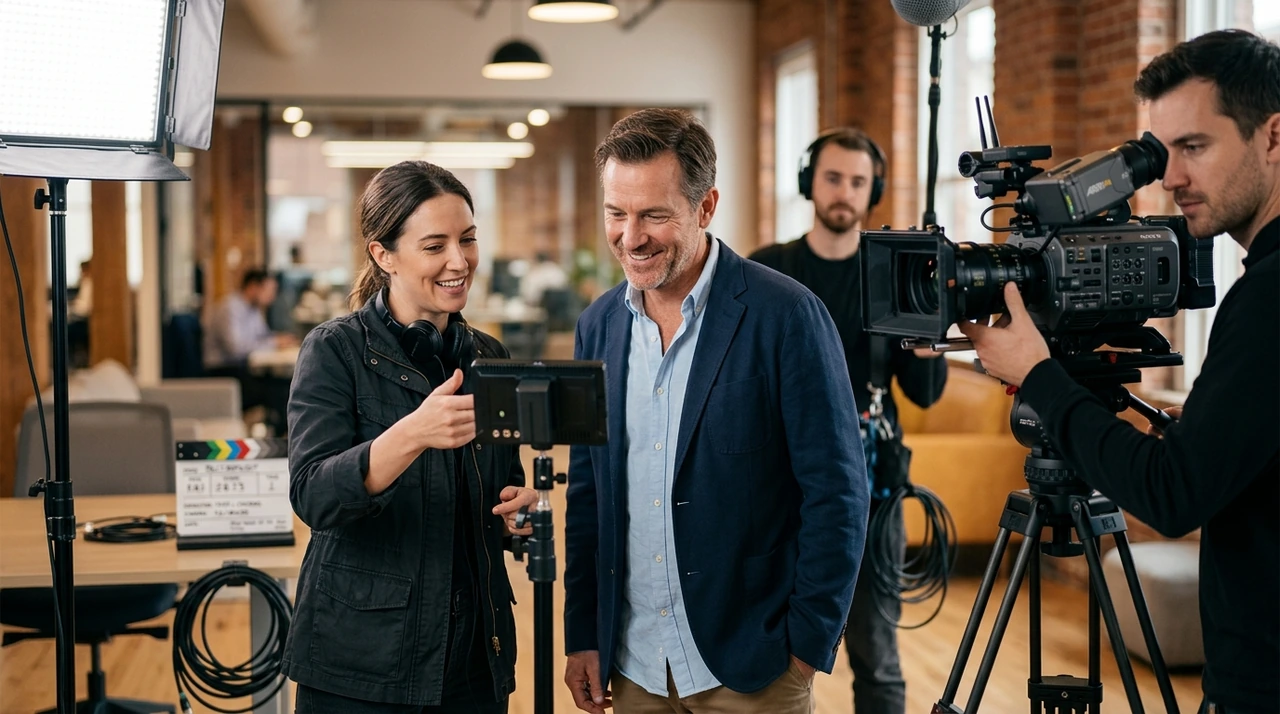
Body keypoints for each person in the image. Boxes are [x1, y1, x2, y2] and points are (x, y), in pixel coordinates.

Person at [957, 30, 1279, 713]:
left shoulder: (1268, 297)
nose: (1171, 177)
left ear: (1273, 137)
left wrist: (1039, 375)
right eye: (1163, 152)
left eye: (1195, 146)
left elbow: (1170, 494)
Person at [562, 108, 869, 714]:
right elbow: (588, 494)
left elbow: (837, 493)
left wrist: (806, 646)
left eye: (654, 215)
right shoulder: (597, 326)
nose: (631, 237)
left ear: (705, 208)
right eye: (616, 213)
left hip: (754, 667)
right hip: (633, 665)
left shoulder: (787, 314)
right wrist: (584, 634)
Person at [282, 161, 539, 713]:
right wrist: (412, 434)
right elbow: (313, 495)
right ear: (384, 255)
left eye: (468, 239)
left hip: (475, 657)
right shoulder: (334, 351)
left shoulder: (489, 356)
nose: (459, 261)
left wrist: (516, 512)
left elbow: (503, 487)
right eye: (434, 246)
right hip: (363, 663)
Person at [750, 127, 947, 714]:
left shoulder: (891, 276)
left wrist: (929, 332)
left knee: (876, 654)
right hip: (775, 487)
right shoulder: (767, 272)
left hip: (871, 491)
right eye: (833, 178)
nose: (845, 192)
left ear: (873, 191)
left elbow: (926, 394)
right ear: (809, 183)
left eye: (858, 182)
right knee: (758, 645)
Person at [204, 269, 297, 435]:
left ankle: (282, 435)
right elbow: (236, 349)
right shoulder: (230, 308)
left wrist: (277, 339)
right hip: (224, 372)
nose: (272, 297)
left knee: (288, 384)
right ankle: (281, 440)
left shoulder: (253, 309)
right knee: (281, 392)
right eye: (269, 290)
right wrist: (274, 342)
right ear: (254, 287)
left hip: (244, 370)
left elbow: (262, 336)